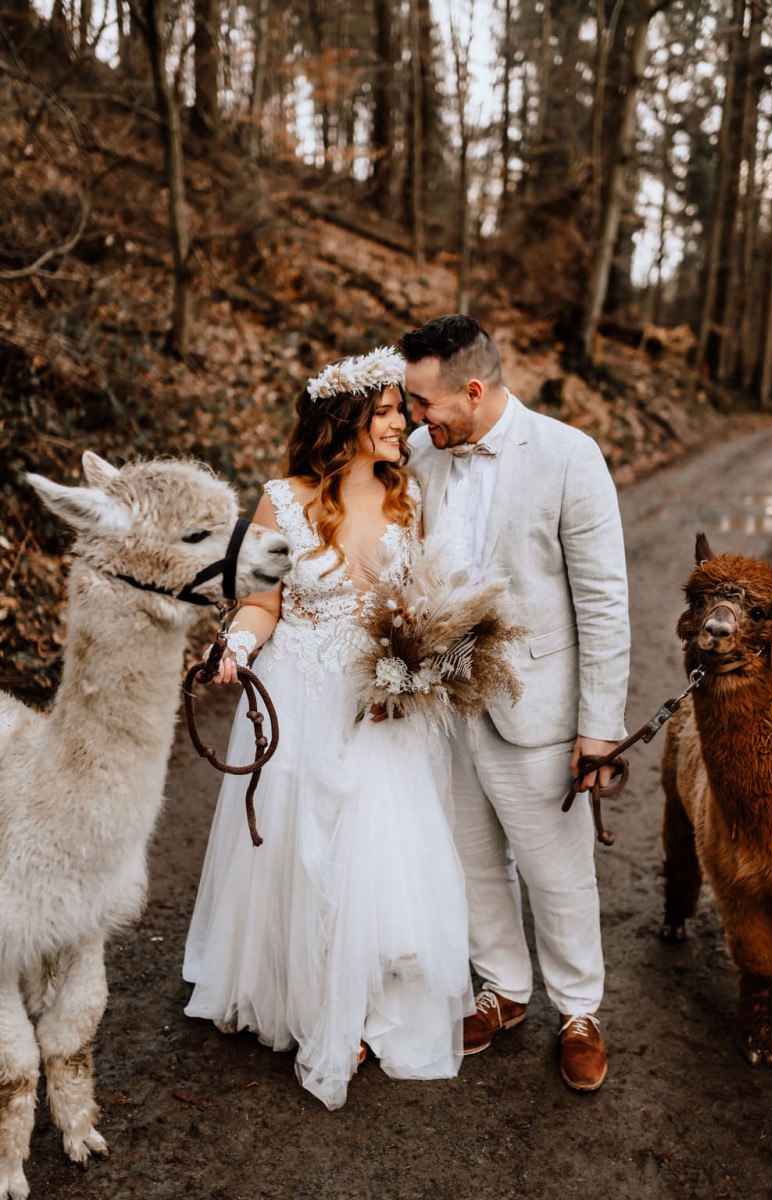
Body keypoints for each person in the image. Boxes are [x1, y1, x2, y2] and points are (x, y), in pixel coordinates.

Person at [182, 347, 473, 1111]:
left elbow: (427, 607)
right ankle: (294, 991)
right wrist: (237, 647)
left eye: (399, 412)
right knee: (293, 851)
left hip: (375, 705)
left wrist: (414, 665)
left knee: (368, 854)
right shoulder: (283, 499)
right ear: (342, 421)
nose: (400, 423)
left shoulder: (408, 499)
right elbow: (263, 601)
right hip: (296, 695)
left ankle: (361, 1006)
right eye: (384, 413)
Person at [399, 315, 630, 1092]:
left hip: (537, 705)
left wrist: (599, 729)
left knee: (555, 872)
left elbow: (603, 601)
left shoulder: (570, 457)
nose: (414, 418)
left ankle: (579, 1010)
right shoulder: (423, 458)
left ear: (473, 388)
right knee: (470, 860)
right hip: (445, 704)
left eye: (425, 402)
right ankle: (504, 990)